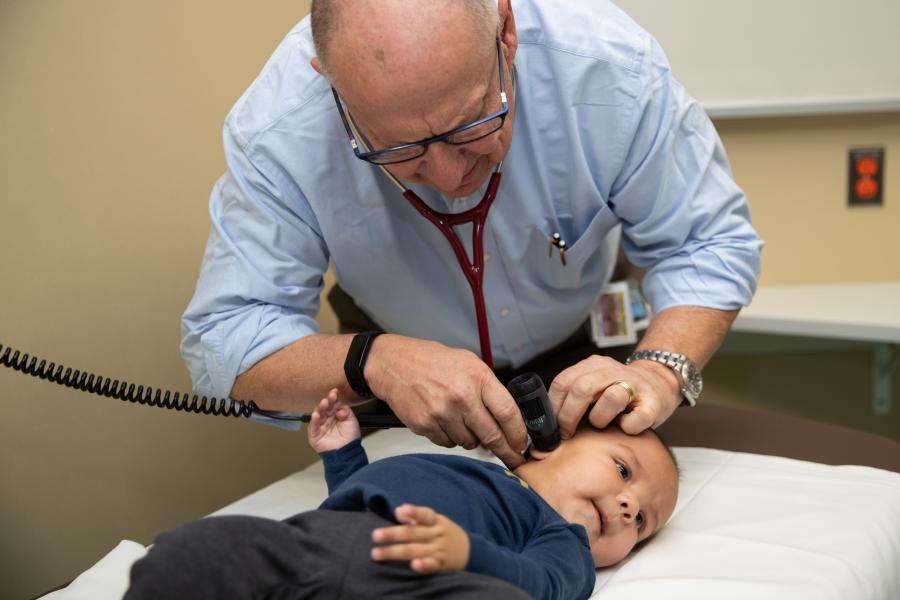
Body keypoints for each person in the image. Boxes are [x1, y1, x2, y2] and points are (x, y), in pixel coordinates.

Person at [181, 0, 763, 467]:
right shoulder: (278, 130)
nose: (450, 176)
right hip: (392, 369)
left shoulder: (610, 68)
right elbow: (225, 340)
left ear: (506, 33)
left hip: (589, 353)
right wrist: (373, 361)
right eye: (399, 148)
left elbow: (705, 242)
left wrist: (658, 372)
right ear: (331, 87)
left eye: (472, 126)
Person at [125, 390, 679, 599]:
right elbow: (362, 499)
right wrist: (344, 455)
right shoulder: (459, 467)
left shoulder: (561, 540)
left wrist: (469, 556)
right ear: (546, 444)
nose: (630, 508)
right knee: (191, 549)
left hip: (430, 586)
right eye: (623, 470)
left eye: (644, 524)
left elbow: (542, 585)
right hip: (316, 545)